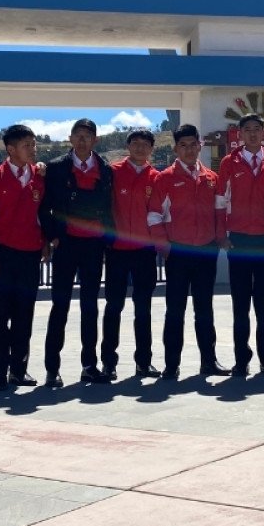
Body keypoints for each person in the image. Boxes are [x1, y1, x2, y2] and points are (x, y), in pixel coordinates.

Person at [148, 124, 228, 380]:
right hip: (178, 253)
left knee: (205, 308)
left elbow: (220, 211)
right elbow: (153, 216)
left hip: (206, 251)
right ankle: (171, 365)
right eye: (183, 145)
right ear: (176, 149)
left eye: (193, 144)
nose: (189, 149)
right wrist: (165, 246)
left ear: (199, 146)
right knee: (175, 310)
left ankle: (209, 361)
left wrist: (219, 239)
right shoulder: (164, 179)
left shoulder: (211, 178)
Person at [39, 118, 114, 387]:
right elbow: (44, 208)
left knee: (90, 307)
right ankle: (52, 368)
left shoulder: (105, 169)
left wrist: (107, 239)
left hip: (93, 246)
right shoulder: (56, 168)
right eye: (77, 135)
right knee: (60, 306)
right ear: (70, 138)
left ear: (95, 140)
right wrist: (53, 237)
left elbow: (109, 208)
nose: (82, 140)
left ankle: (89, 365)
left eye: (87, 136)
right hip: (66, 245)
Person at [216, 114, 264, 377]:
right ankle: (241, 359)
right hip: (239, 241)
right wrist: (221, 233)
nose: (253, 134)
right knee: (241, 303)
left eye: (257, 129)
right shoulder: (229, 162)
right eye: (248, 130)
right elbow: (220, 201)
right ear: (240, 134)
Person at [0, 124, 48, 390]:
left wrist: (44, 244)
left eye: (33, 144)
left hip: (29, 256)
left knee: (24, 315)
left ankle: (19, 370)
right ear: (10, 149)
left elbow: (42, 215)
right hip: (1, 255)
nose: (33, 149)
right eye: (27, 145)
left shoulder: (38, 177)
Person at [102, 128, 161, 379]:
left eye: (145, 144)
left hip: (144, 252)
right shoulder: (112, 173)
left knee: (143, 308)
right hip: (116, 251)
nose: (140, 148)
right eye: (135, 143)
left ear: (151, 149)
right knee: (113, 307)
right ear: (128, 146)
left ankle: (144, 362)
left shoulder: (157, 177)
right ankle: (108, 362)